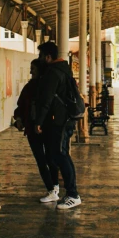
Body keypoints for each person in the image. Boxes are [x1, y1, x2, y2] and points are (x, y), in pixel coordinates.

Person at [34, 41, 82, 210]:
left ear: (48, 57)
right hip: (63, 119)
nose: (39, 59)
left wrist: (38, 122)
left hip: (60, 120)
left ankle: (73, 194)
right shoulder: (63, 69)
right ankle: (63, 191)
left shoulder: (53, 73)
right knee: (57, 154)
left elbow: (46, 101)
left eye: (41, 56)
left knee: (61, 154)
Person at [14, 59, 60, 203]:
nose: (30, 71)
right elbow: (20, 106)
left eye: (33, 69)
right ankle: (51, 188)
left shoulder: (47, 86)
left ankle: (54, 187)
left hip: (47, 127)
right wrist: (19, 118)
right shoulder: (29, 87)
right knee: (41, 159)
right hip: (32, 128)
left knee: (50, 158)